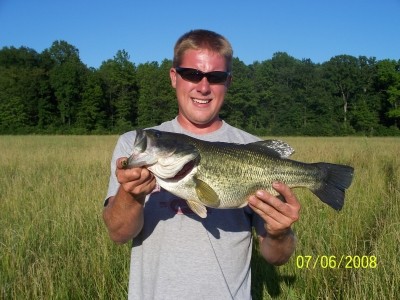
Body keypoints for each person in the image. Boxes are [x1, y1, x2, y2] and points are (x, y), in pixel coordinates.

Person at [103, 29, 301, 300]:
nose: (203, 87)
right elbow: (118, 234)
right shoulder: (134, 146)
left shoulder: (253, 150)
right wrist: (131, 194)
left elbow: (276, 257)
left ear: (228, 82)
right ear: (174, 77)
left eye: (216, 77)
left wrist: (280, 233)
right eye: (192, 74)